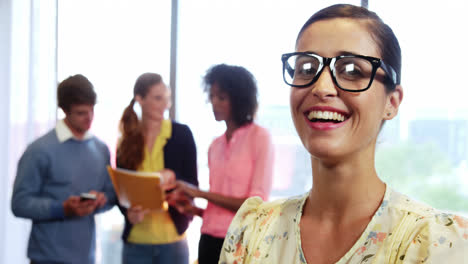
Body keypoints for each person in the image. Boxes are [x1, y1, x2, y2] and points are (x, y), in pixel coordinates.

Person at [219, 4, 468, 264]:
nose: (321, 87)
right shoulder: (254, 231)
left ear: (391, 102)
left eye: (352, 71)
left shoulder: (431, 243)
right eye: (306, 68)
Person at [169, 64, 274, 264]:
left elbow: (255, 205)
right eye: (213, 97)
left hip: (241, 242)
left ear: (239, 100)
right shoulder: (214, 146)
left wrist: (199, 193)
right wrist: (196, 210)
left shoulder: (260, 138)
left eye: (221, 98)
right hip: (208, 240)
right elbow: (217, 209)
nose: (214, 103)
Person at [11, 74, 116, 264]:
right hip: (47, 258)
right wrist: (62, 208)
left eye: (92, 110)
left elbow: (110, 195)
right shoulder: (39, 151)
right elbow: (19, 203)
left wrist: (102, 201)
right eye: (81, 112)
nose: (89, 117)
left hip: (86, 257)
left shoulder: (100, 149)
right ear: (64, 111)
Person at [116, 72, 198, 264]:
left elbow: (193, 185)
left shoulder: (182, 134)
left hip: (173, 241)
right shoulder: (127, 141)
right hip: (137, 242)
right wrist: (128, 213)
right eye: (158, 98)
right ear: (140, 99)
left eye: (167, 99)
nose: (165, 105)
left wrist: (173, 176)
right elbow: (121, 190)